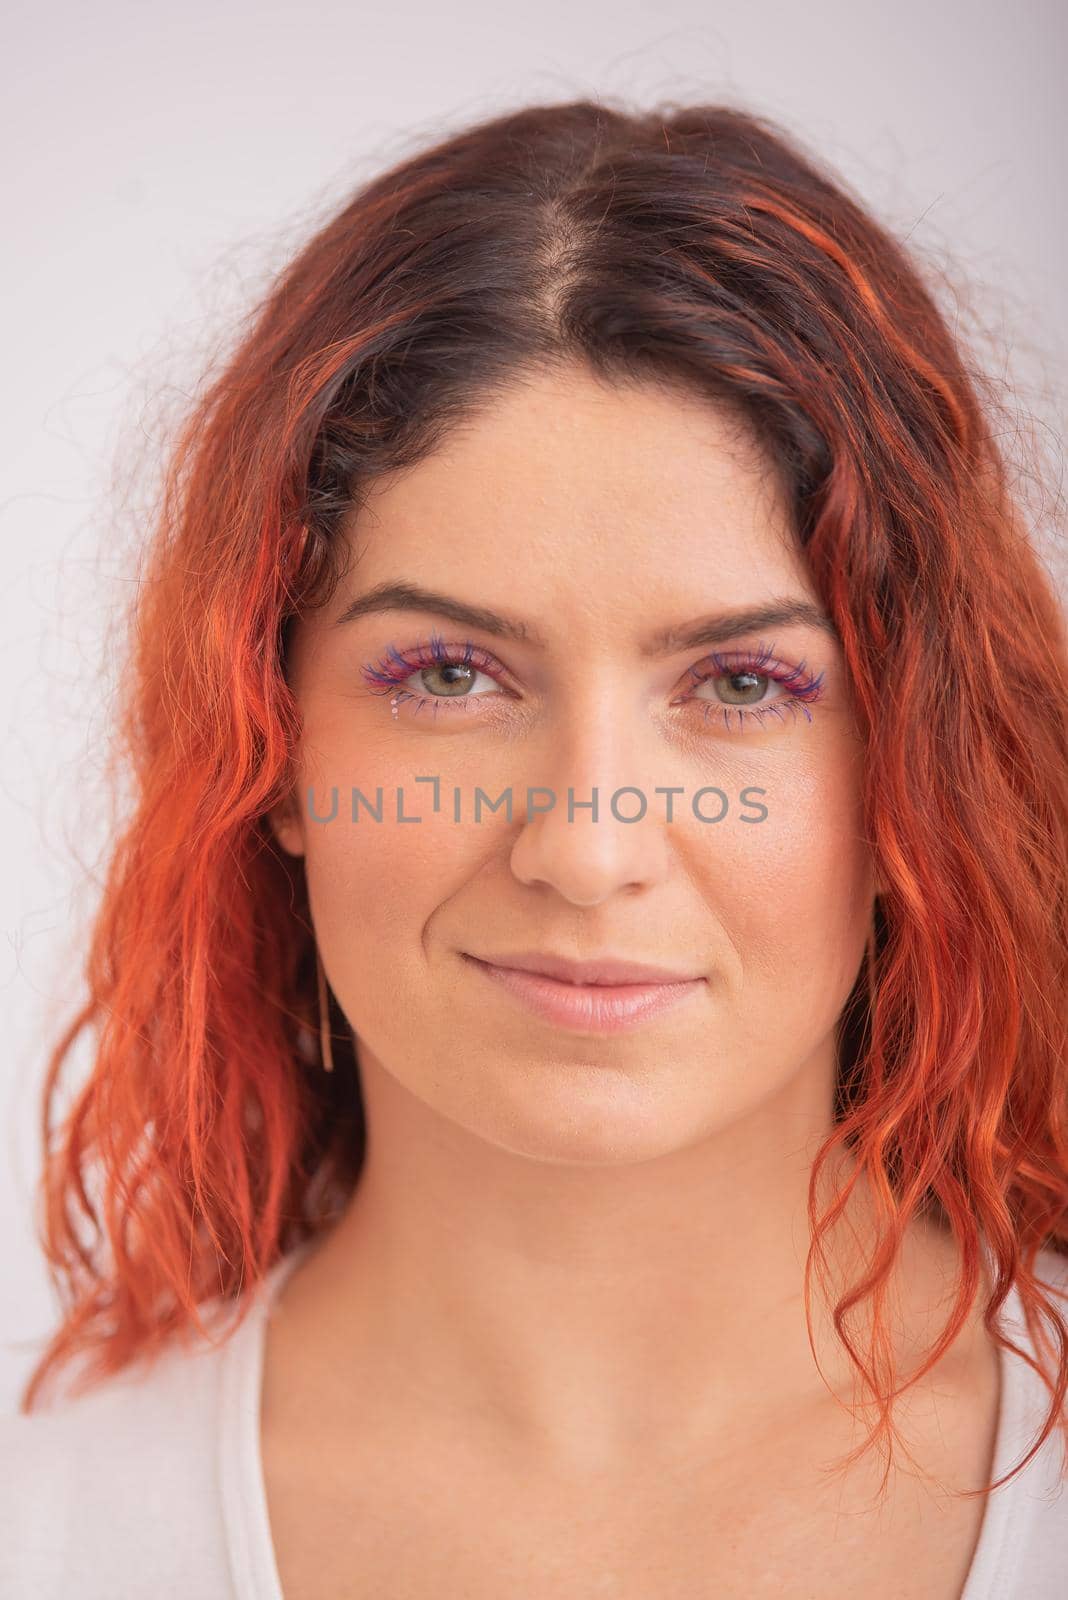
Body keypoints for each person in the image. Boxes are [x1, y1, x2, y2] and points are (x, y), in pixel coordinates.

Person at [2, 98, 1067, 1600]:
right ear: (275, 745)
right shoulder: (41, 1522)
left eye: (742, 686)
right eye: (448, 676)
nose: (585, 848)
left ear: (921, 773)